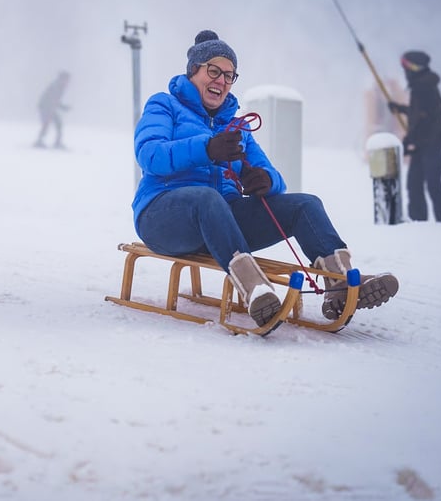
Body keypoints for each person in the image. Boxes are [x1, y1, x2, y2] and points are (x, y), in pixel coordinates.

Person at [132, 30, 398, 326]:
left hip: (222, 226)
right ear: (194, 70)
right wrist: (206, 148)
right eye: (214, 71)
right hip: (164, 218)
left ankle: (341, 285)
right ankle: (255, 289)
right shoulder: (165, 105)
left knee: (306, 205)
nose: (221, 80)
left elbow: (272, 175)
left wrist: (265, 180)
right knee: (207, 199)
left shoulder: (237, 125)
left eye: (229, 76)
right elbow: (149, 154)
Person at [388, 51, 441, 223]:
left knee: (432, 183)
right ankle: (418, 221)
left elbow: (425, 119)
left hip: (433, 142)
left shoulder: (424, 87)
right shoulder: (421, 85)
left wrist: (409, 139)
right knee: (414, 184)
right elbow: (417, 113)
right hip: (422, 143)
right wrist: (400, 108)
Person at [34, 71, 71, 148]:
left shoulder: (60, 87)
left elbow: (55, 101)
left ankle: (57, 142)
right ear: (62, 79)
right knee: (47, 124)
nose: (68, 82)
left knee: (58, 124)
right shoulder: (56, 86)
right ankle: (39, 141)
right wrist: (61, 107)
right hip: (45, 107)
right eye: (66, 80)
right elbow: (51, 99)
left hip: (50, 108)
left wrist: (63, 107)